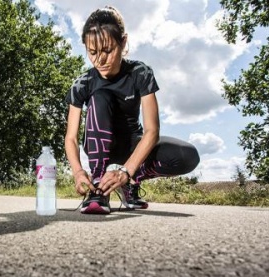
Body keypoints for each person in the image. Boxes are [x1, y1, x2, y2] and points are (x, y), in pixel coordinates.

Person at [64, 6, 200, 214]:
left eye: (107, 50)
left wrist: (127, 171)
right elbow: (71, 138)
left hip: (133, 146)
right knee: (100, 97)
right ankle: (99, 188)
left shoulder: (140, 73)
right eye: (92, 52)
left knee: (187, 156)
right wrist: (78, 171)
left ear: (123, 42)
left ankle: (129, 183)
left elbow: (152, 131)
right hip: (100, 147)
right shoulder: (82, 83)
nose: (99, 60)